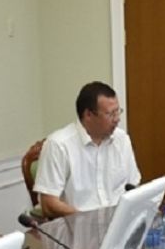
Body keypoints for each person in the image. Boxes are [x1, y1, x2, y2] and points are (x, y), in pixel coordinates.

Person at [34, 81, 141, 218]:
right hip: (77, 224)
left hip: (120, 221)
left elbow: (133, 186)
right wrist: (88, 220)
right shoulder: (58, 145)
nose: (117, 119)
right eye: (110, 114)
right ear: (88, 115)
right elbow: (49, 204)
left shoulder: (122, 139)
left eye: (117, 112)